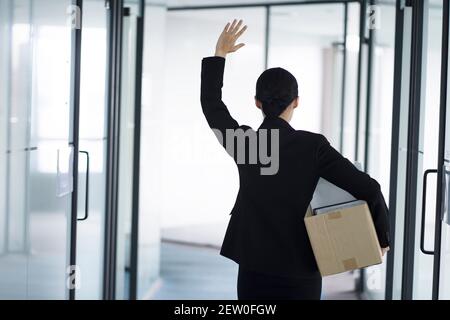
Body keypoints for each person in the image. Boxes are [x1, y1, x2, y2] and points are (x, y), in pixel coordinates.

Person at [200, 19, 390, 300]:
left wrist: (220, 54)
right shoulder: (312, 146)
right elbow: (369, 188)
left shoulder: (246, 143)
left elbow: (212, 105)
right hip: (301, 267)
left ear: (257, 103)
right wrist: (381, 238)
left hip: (254, 266)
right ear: (296, 101)